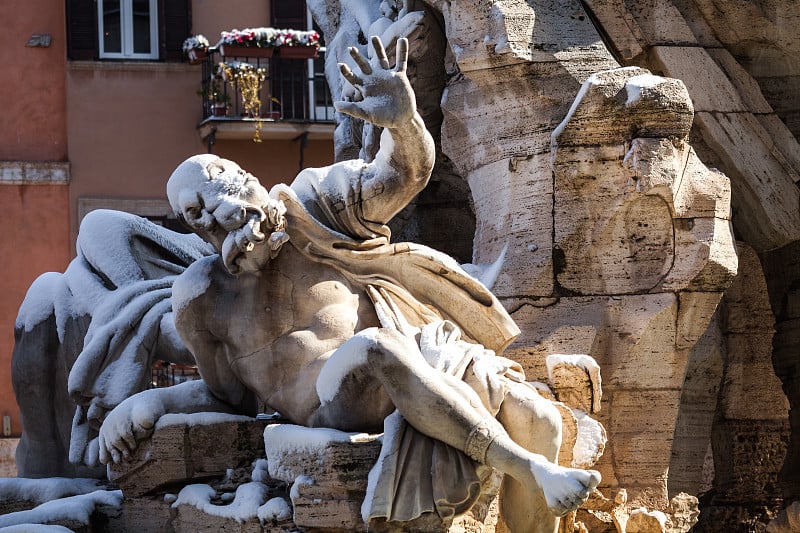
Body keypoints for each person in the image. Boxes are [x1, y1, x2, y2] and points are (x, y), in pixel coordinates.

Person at [98, 37, 599, 532]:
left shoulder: (313, 204)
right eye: (196, 214)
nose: (217, 214)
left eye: (222, 186)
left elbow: (400, 177)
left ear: (247, 177)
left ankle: (533, 486)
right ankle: (524, 464)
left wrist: (403, 122)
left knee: (541, 420)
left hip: (422, 354)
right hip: (332, 403)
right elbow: (227, 398)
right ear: (195, 231)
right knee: (374, 348)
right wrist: (148, 402)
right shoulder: (203, 297)